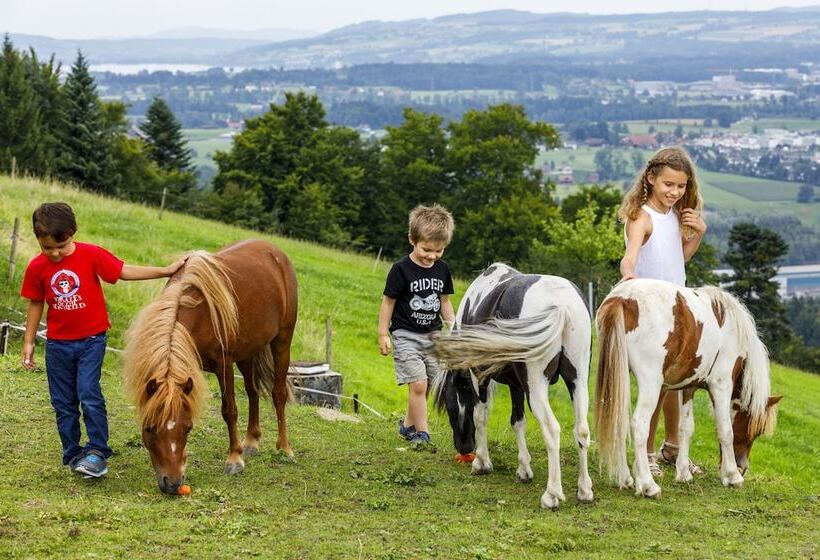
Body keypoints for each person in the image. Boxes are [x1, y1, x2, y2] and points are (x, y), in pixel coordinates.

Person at [20, 202, 186, 478]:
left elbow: (122, 271)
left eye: (60, 245)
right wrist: (28, 342)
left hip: (91, 341)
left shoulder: (91, 255)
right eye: (47, 247)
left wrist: (165, 271)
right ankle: (73, 454)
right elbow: (36, 303)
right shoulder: (37, 267)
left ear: (73, 232)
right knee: (62, 402)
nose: (55, 253)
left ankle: (97, 451)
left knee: (88, 393)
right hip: (58, 345)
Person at [618, 146, 708, 478]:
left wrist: (698, 233)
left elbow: (678, 261)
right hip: (651, 312)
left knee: (678, 384)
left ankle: (673, 447)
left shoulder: (673, 217)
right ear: (651, 178)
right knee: (654, 386)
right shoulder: (641, 216)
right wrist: (629, 271)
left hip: (677, 308)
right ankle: (648, 452)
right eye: (668, 184)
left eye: (681, 186)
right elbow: (631, 253)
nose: (674, 192)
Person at [378, 204, 456, 447]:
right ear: (412, 240)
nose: (432, 256)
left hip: (433, 336)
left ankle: (408, 425)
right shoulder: (400, 269)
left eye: (439, 250)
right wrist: (383, 333)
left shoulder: (442, 270)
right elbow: (388, 302)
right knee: (419, 384)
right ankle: (422, 434)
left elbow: (445, 301)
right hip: (405, 335)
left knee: (430, 383)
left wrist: (453, 327)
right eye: (426, 249)